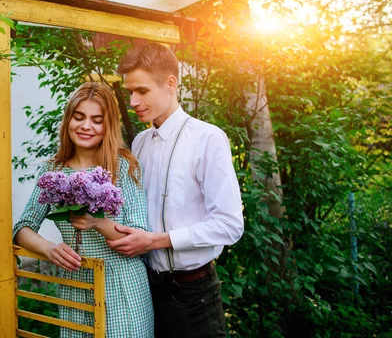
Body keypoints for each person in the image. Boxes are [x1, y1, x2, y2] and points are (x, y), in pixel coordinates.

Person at [107, 43, 245, 337]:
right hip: (145, 289)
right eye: (130, 91)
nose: (132, 101)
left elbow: (230, 225)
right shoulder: (141, 142)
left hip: (194, 293)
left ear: (170, 84)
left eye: (141, 91)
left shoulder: (208, 139)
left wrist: (156, 241)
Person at [13, 82, 153, 337]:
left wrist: (97, 222)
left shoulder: (124, 168)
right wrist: (50, 249)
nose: (86, 126)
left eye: (96, 120)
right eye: (79, 118)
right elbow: (22, 228)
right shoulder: (53, 172)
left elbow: (138, 237)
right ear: (68, 121)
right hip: (75, 285)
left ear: (107, 125)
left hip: (121, 284)